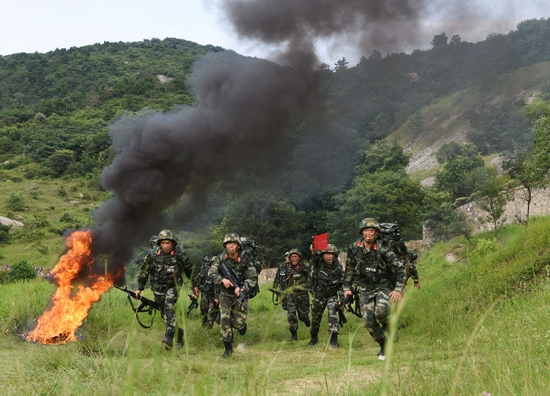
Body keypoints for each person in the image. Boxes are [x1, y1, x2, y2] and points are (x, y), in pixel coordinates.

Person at [343, 218, 406, 360]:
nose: (369, 234)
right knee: (368, 321)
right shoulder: (354, 248)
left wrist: (397, 289)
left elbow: (400, 268)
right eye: (366, 231)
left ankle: (391, 326)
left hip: (383, 286)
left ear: (376, 233)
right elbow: (349, 268)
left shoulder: (383, 250)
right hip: (365, 288)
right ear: (362, 232)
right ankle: (383, 345)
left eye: (371, 231)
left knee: (381, 313)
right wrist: (346, 287)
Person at [135, 230, 199, 350]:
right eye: (163, 243)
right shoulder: (153, 254)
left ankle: (168, 338)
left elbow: (189, 269)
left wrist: (194, 285)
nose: (166, 245)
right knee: (166, 315)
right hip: (158, 289)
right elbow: (144, 271)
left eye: (168, 243)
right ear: (160, 243)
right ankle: (179, 333)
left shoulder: (180, 254)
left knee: (169, 307)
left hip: (173, 287)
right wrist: (139, 288)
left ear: (173, 243)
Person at [208, 233, 258, 357]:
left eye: (233, 244)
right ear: (225, 246)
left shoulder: (245, 258)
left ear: (238, 246)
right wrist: (222, 280)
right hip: (224, 294)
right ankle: (228, 349)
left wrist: (242, 288)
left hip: (239, 292)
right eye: (228, 244)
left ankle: (242, 326)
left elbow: (252, 277)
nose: (231, 246)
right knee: (224, 319)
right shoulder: (221, 258)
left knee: (238, 324)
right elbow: (212, 272)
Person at [308, 244, 344, 348]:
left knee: (333, 315)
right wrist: (314, 251)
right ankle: (313, 338)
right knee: (315, 319)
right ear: (323, 256)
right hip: (318, 296)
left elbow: (342, 284)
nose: (328, 257)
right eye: (326, 254)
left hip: (331, 296)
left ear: (334, 256)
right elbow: (315, 257)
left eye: (331, 254)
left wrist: (342, 299)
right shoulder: (318, 264)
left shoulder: (338, 268)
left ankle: (333, 340)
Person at [283, 248, 311, 341]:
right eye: (292, 257)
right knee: (291, 316)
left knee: (302, 316)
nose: (294, 258)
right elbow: (284, 282)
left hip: (302, 295)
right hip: (291, 295)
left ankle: (306, 319)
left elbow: (311, 278)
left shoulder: (304, 268)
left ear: (299, 258)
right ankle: (294, 335)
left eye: (295, 257)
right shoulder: (287, 268)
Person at [196, 256, 219, 329]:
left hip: (214, 295)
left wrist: (217, 297)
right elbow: (197, 280)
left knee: (211, 313)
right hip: (205, 293)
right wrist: (195, 290)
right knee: (203, 311)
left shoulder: (219, 272)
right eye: (213, 263)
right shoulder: (205, 270)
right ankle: (204, 326)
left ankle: (208, 330)